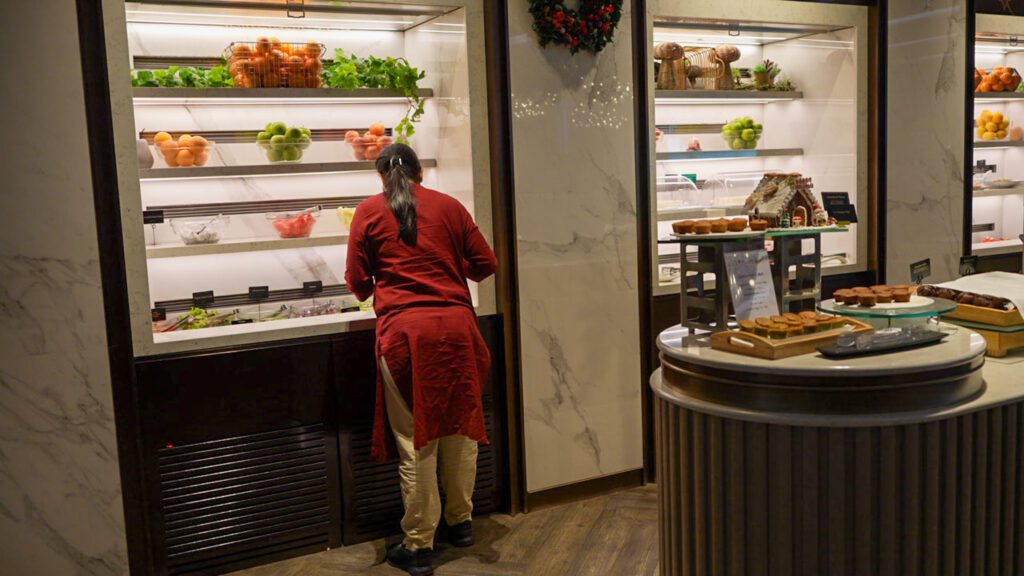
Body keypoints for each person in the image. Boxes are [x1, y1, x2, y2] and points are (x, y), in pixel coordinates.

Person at [345, 143, 498, 576]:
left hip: (406, 338)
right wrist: (447, 266)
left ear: (382, 177)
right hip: (458, 331)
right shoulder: (449, 207)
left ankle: (418, 545)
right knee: (460, 427)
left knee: (417, 440)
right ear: (420, 175)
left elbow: (358, 283)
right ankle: (461, 523)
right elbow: (485, 264)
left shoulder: (369, 212)